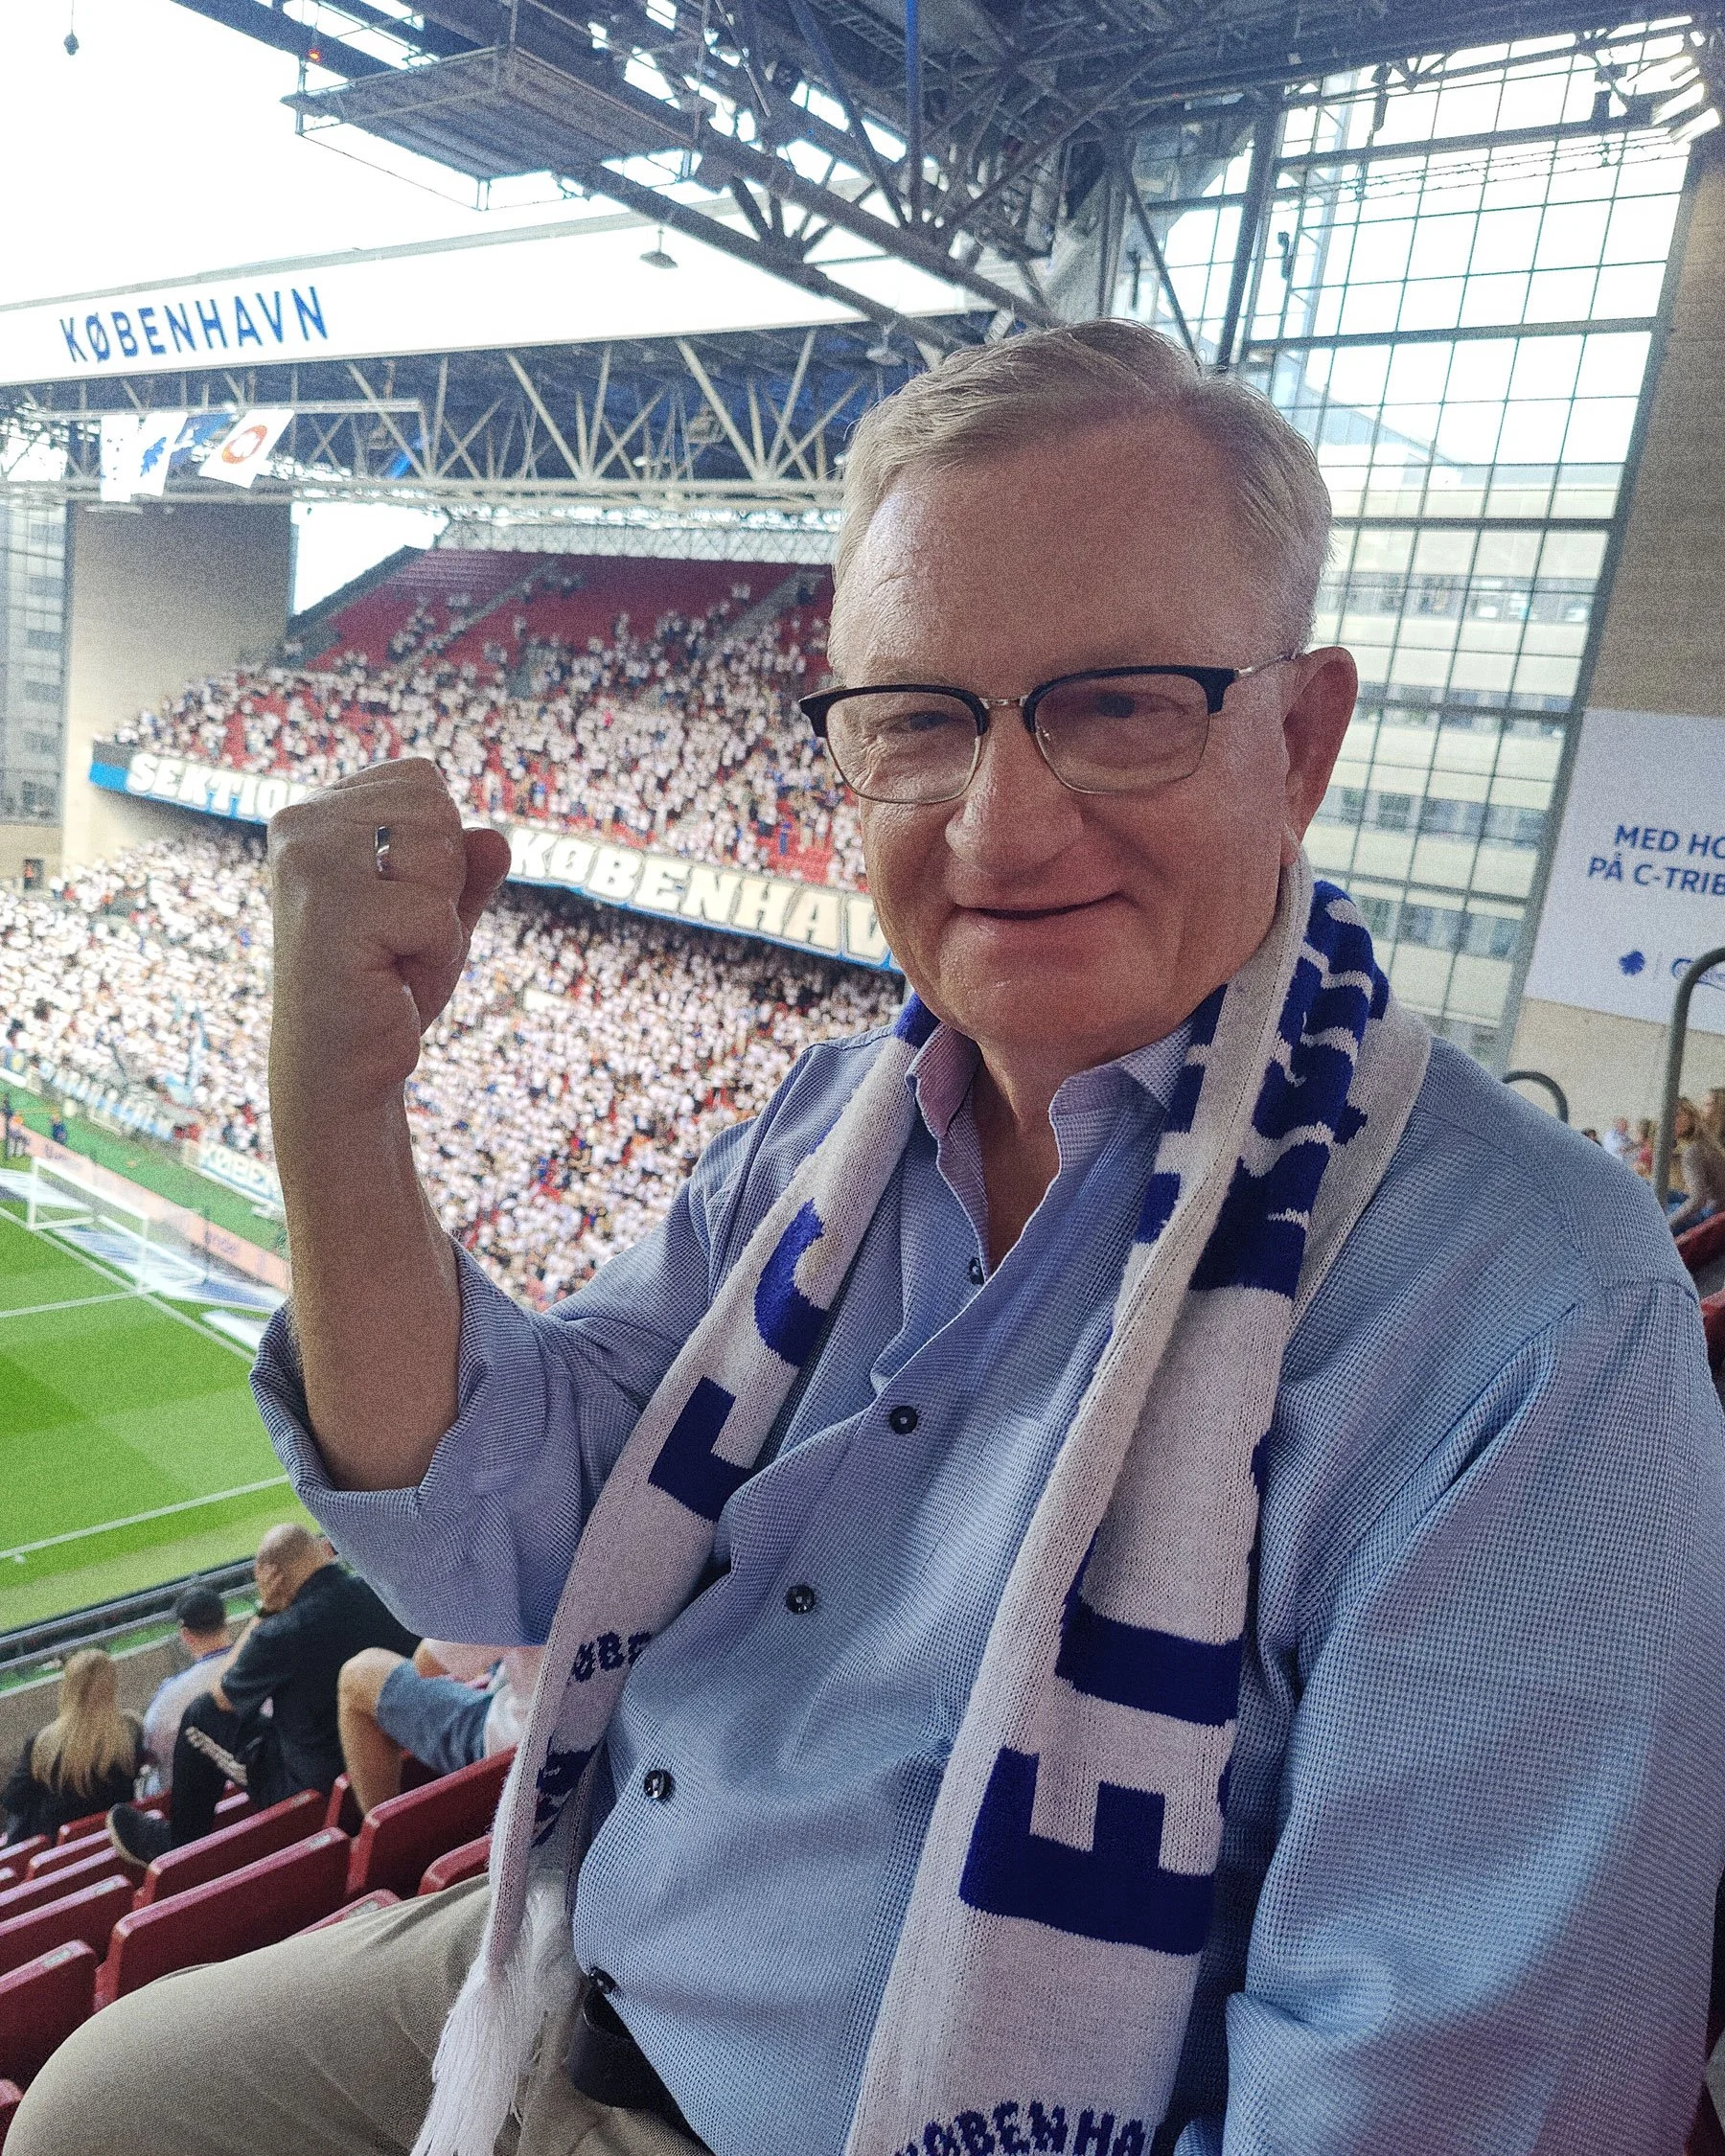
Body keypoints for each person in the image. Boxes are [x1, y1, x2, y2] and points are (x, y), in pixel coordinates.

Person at [21, 324, 1725, 2156]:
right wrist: (339, 1120)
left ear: (1299, 739)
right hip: (572, 1957)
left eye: (1121, 700)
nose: (1001, 820)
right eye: (918, 717)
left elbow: (1432, 2109)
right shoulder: (822, 1126)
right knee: (109, 2108)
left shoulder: (1542, 1325)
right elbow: (494, 1541)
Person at [106, 1523, 416, 1865]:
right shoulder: (380, 1593)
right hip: (392, 1753)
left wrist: (264, 1612)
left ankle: (177, 1843)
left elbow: (221, 1696)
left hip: (313, 1785)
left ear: (273, 1576)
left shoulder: (282, 1632)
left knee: (198, 1717)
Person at [336, 1639, 541, 1814]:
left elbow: (426, 1663)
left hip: (522, 1744)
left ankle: (386, 1846)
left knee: (358, 1674)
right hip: (559, 1725)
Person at [3, 1648, 143, 1846]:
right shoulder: (131, 1732)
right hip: (111, 1841)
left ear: (68, 1688)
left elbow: (12, 1800)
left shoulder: (43, 1744)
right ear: (111, 1687)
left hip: (56, 1850)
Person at [136, 1585, 233, 1798]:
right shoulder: (262, 1667)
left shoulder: (170, 1697)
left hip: (189, 1802)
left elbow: (151, 1749)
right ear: (225, 1621)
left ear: (186, 1634)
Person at [1667, 1095, 1725, 1233]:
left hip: (1709, 1213)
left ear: (1691, 1117)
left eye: (1677, 1115)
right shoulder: (1706, 1142)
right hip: (1717, 1205)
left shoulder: (1692, 1152)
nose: (1671, 1121)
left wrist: (1665, 1224)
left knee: (1653, 1212)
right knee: (1653, 1189)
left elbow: (1698, 1200)